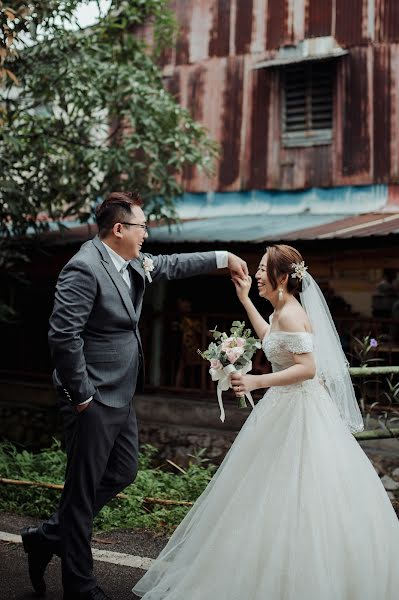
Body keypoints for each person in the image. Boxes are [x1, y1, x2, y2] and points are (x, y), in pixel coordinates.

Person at [133, 244, 399, 600]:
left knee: (300, 491)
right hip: (282, 407)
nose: (256, 274)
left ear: (283, 277)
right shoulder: (279, 311)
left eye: (262, 269)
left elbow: (307, 369)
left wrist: (257, 381)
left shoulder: (291, 313)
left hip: (300, 411)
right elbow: (271, 341)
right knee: (266, 488)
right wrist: (245, 300)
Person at [21, 191, 248, 600]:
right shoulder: (84, 268)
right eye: (142, 226)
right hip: (91, 396)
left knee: (123, 471)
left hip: (120, 392)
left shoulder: (131, 262)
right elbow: (63, 335)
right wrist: (82, 395)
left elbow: (172, 265)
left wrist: (223, 256)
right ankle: (80, 586)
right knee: (82, 490)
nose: (147, 234)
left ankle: (46, 537)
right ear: (120, 228)